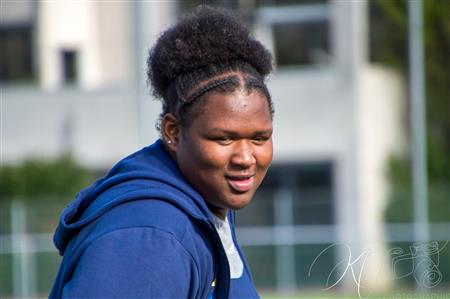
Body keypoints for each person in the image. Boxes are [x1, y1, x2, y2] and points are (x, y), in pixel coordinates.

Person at [49, 5, 274, 299]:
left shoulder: (207, 202)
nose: (245, 158)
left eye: (259, 139)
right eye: (224, 139)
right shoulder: (150, 237)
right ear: (173, 132)